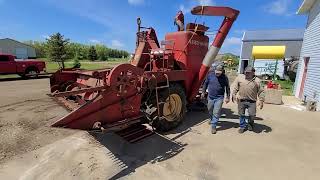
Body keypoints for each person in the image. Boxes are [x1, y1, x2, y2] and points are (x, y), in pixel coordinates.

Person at [232, 66, 265, 134]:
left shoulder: (257, 81)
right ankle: (242, 126)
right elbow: (236, 87)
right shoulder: (240, 78)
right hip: (241, 100)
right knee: (241, 114)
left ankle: (250, 123)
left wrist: (261, 100)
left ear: (253, 73)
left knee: (252, 115)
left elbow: (261, 91)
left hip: (252, 101)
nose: (246, 74)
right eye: (246, 72)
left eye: (248, 73)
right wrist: (234, 94)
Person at [202, 63, 230, 134]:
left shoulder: (224, 78)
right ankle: (211, 119)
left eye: (219, 72)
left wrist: (228, 97)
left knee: (216, 112)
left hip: (219, 98)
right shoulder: (210, 75)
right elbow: (205, 83)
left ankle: (213, 126)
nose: (217, 73)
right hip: (210, 97)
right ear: (215, 70)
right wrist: (203, 92)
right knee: (210, 109)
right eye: (216, 72)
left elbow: (227, 87)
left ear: (222, 71)